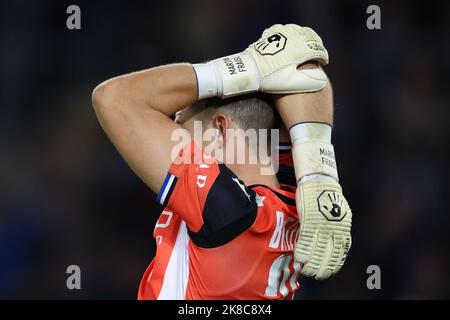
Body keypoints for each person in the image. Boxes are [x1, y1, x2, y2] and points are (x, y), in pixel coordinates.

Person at [92, 24, 352, 300]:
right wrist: (320, 175)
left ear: (220, 130)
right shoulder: (290, 194)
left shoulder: (227, 210)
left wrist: (247, 67)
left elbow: (114, 98)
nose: (170, 134)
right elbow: (308, 73)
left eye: (181, 127)